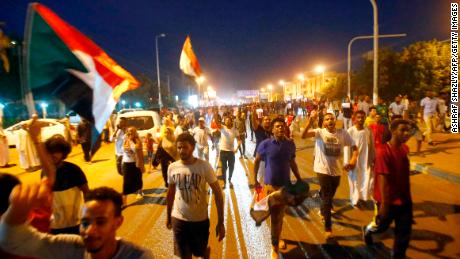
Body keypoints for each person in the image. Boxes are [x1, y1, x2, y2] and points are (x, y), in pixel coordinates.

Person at [0, 184, 153, 258]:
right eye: (85, 223)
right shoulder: (71, 248)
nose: (89, 231)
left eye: (100, 222)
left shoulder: (139, 257)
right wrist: (17, 210)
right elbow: (13, 241)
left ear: (117, 222)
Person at [166, 133, 225, 259]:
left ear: (192, 147)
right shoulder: (172, 167)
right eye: (179, 147)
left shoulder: (204, 167)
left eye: (185, 147)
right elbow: (170, 192)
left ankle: (204, 252)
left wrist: (221, 222)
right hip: (179, 219)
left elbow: (218, 194)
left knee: (199, 252)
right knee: (185, 255)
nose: (181, 151)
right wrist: (168, 216)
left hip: (199, 220)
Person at [301, 111, 358, 238]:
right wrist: (310, 122)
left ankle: (322, 204)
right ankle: (328, 226)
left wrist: (353, 160)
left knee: (330, 194)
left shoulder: (343, 133)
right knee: (327, 198)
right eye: (327, 119)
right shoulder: (320, 132)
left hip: (337, 170)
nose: (329, 120)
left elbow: (355, 147)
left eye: (331, 118)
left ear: (335, 120)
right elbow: (303, 135)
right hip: (322, 169)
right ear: (324, 123)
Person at [363, 119, 413, 259]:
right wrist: (384, 204)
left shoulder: (404, 149)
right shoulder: (383, 151)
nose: (407, 133)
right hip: (387, 200)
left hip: (404, 200)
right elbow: (383, 179)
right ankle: (368, 230)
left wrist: (407, 197)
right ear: (393, 131)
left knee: (404, 233)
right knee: (382, 227)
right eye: (403, 130)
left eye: (408, 130)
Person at [254, 118, 302, 259]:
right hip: (270, 187)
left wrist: (299, 179)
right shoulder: (265, 144)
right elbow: (256, 161)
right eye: (277, 126)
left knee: (278, 217)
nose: (280, 128)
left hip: (285, 188)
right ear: (272, 130)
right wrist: (254, 180)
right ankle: (275, 245)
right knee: (275, 217)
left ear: (285, 128)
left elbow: (292, 163)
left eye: (282, 126)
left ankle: (275, 242)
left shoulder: (290, 145)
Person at [43, 135, 89, 235]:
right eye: (50, 152)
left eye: (57, 152)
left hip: (75, 222)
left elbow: (86, 192)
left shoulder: (73, 170)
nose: (53, 155)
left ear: (64, 153)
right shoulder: (44, 172)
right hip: (55, 224)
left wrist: (86, 215)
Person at [345, 111, 375, 208]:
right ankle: (355, 200)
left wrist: (373, 159)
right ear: (354, 118)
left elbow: (372, 147)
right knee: (354, 181)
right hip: (354, 161)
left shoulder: (368, 131)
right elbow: (346, 148)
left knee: (365, 180)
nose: (360, 119)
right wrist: (347, 162)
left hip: (365, 161)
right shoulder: (350, 131)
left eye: (362, 117)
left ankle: (362, 198)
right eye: (358, 117)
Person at [122, 127, 145, 205]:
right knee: (126, 181)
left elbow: (136, 149)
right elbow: (123, 149)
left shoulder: (138, 141)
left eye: (132, 132)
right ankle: (124, 201)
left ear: (135, 132)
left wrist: (131, 142)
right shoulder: (125, 139)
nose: (130, 133)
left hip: (136, 163)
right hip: (126, 162)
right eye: (129, 132)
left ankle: (140, 191)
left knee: (138, 178)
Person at [218, 116, 241, 188]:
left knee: (231, 167)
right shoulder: (222, 128)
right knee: (223, 168)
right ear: (224, 122)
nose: (227, 121)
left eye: (228, 120)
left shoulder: (235, 130)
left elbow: (239, 140)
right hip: (223, 151)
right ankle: (224, 182)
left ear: (231, 121)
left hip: (231, 152)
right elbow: (216, 122)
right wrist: (215, 112)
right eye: (226, 120)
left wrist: (237, 148)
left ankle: (230, 179)